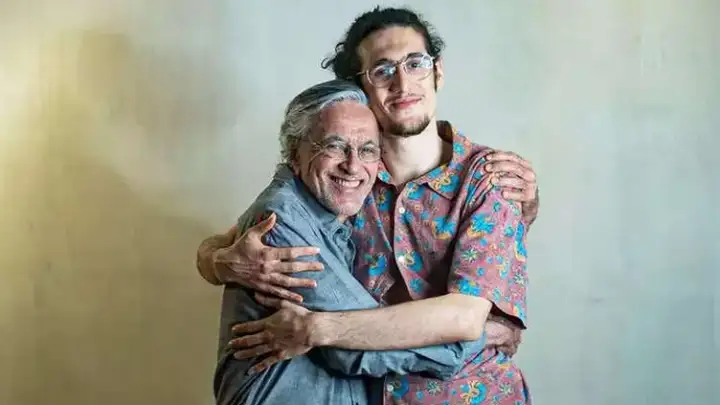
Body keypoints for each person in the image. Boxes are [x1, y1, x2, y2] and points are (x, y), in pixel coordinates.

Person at [201, 7, 540, 405]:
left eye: (415, 63)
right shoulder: (345, 179)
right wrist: (220, 261)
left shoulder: (490, 178)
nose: (402, 82)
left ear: (437, 72)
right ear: (360, 88)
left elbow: (464, 318)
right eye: (382, 70)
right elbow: (240, 239)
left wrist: (317, 328)